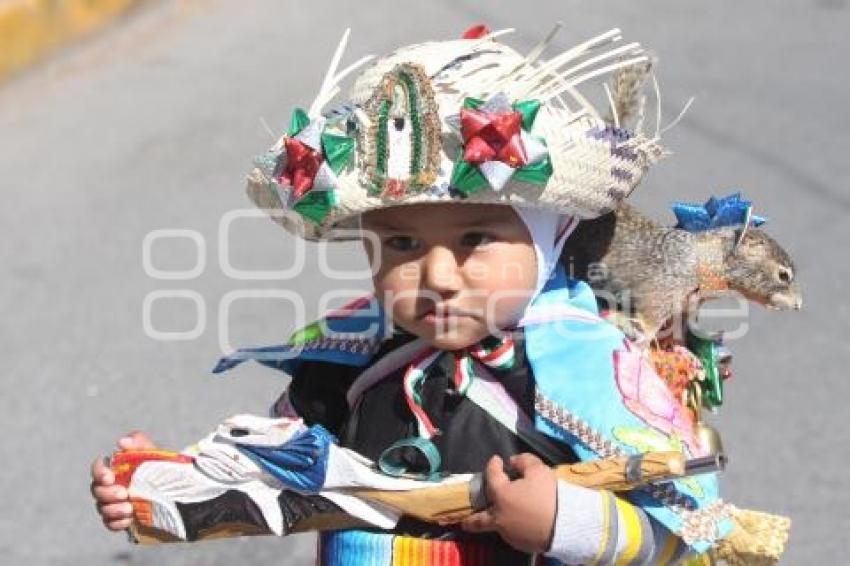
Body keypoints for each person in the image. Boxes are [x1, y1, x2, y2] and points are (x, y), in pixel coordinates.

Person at [91, 25, 732, 564]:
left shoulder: (595, 376)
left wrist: (569, 522)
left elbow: (688, 532)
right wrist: (167, 482)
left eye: (475, 238)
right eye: (400, 246)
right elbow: (278, 469)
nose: (437, 276)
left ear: (550, 240)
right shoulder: (345, 360)